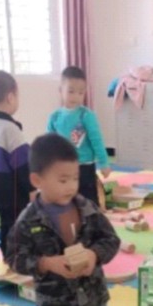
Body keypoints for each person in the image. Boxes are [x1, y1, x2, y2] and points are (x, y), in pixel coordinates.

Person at [9, 134, 121, 306]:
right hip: (58, 303)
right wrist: (46, 263)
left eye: (75, 178)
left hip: (94, 297)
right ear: (37, 180)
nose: (71, 186)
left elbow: (111, 239)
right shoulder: (28, 220)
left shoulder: (87, 207)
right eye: (63, 180)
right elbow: (14, 257)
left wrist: (94, 254)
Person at [0, 70, 33, 259]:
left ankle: (6, 251)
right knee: (18, 222)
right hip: (12, 189)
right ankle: (15, 255)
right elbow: (23, 164)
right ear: (10, 97)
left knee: (5, 221)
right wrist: (32, 188)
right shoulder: (10, 129)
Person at [46, 66, 111, 210]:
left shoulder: (86, 115)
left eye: (81, 93)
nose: (76, 97)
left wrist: (104, 163)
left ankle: (92, 221)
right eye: (71, 91)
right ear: (60, 90)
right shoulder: (55, 117)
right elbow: (49, 145)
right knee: (67, 200)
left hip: (85, 166)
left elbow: (97, 140)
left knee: (89, 202)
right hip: (63, 166)